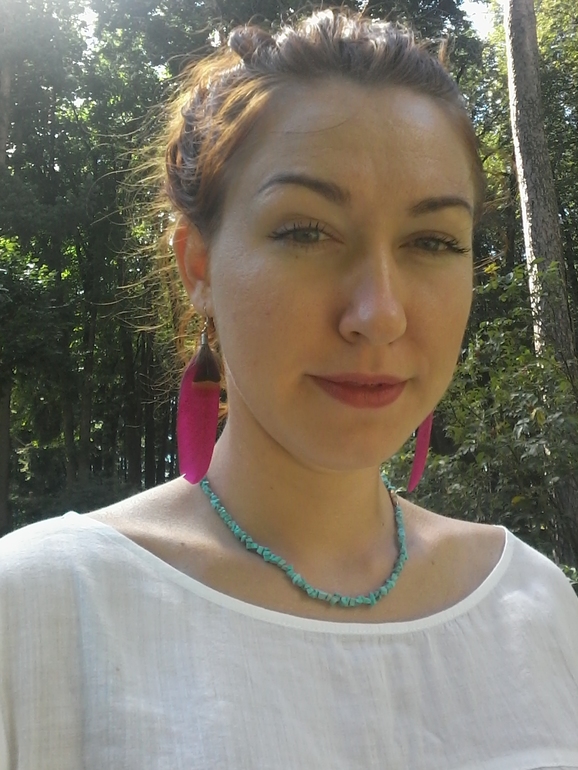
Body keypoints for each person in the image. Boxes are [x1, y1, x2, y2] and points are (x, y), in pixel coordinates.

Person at [1, 8, 577, 769]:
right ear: (198, 266)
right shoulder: (44, 609)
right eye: (306, 232)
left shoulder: (535, 607)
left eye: (432, 241)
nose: (379, 314)